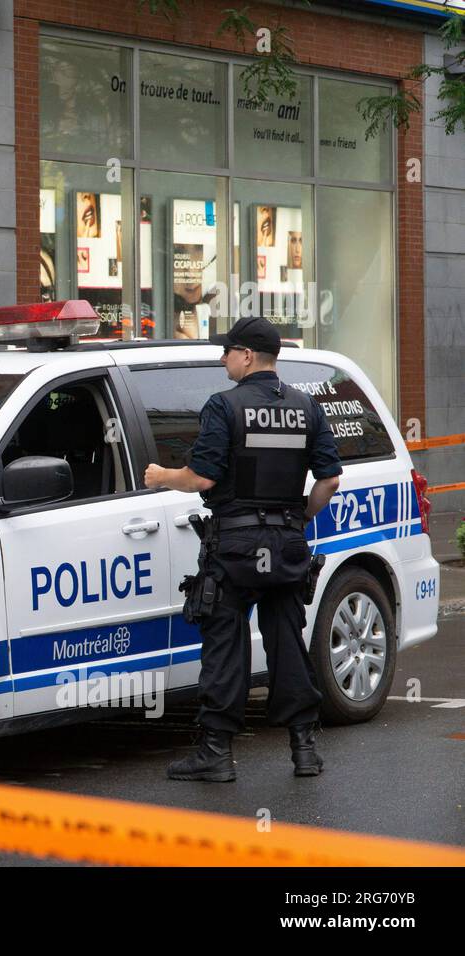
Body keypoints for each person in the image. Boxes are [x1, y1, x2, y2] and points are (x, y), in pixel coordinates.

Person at [143, 315, 342, 782]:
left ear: (248, 356)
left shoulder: (224, 406)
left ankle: (216, 755)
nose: (222, 358)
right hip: (288, 542)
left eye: (228, 351)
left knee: (224, 646)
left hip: (234, 545)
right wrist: (301, 518)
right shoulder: (306, 408)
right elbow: (330, 479)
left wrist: (162, 477)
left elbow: (203, 477)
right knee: (287, 643)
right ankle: (304, 751)